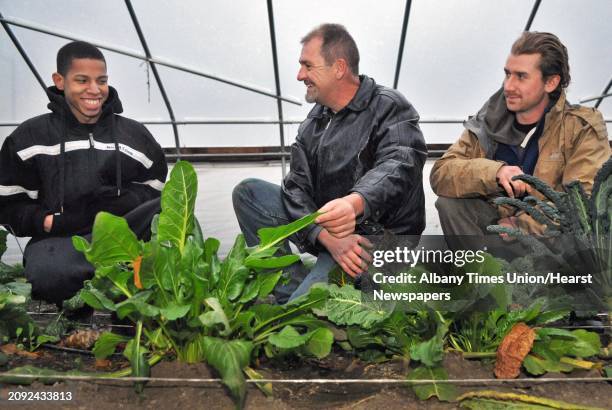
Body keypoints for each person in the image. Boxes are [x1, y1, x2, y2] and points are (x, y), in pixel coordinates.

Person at [233, 24, 427, 303]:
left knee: (300, 314)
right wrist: (324, 236)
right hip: (334, 236)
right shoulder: (315, 121)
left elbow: (401, 161)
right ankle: (291, 286)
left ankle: (312, 297)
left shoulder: (388, 106)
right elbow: (295, 187)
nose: (300, 75)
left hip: (376, 240)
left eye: (307, 66)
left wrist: (355, 202)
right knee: (249, 193)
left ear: (338, 68)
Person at [0, 41, 167, 304]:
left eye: (101, 80)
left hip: (124, 230)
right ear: (60, 81)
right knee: (48, 274)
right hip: (62, 237)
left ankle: (121, 272)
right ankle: (114, 276)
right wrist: (47, 221)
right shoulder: (29, 136)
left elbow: (155, 186)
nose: (94, 90)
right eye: (82, 80)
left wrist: (119, 206)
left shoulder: (134, 134)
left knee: (168, 213)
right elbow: (8, 202)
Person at [430, 31, 610, 245]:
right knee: (450, 204)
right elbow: (441, 173)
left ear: (551, 82)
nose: (508, 86)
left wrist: (523, 223)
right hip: (494, 233)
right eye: (508, 74)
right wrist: (495, 172)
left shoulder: (580, 126)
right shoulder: (490, 120)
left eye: (521, 76)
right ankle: (478, 274)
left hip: (552, 245)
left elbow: (583, 200)